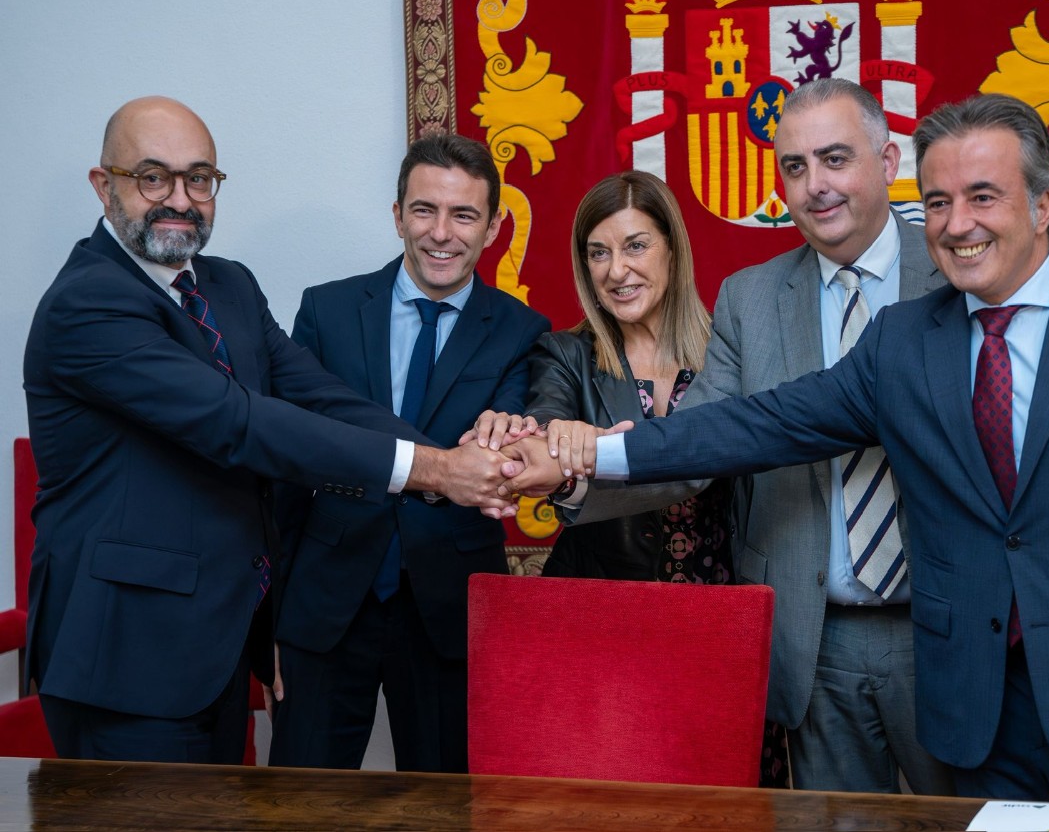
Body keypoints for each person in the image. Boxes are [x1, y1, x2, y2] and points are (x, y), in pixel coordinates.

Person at [502, 93, 1049, 806]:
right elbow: (752, 424)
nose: (957, 223)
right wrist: (585, 455)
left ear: (1042, 205)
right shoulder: (907, 339)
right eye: (939, 203)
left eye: (982, 197)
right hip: (978, 716)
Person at [22, 96, 514, 764]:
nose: (179, 198)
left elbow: (319, 397)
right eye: (152, 176)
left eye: (199, 178)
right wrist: (435, 472)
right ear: (103, 184)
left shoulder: (227, 286)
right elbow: (240, 423)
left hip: (217, 648)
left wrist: (445, 459)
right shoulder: (88, 302)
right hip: (127, 655)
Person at [492, 80, 951, 794]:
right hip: (814, 636)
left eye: (834, 159)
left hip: (947, 628)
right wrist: (572, 463)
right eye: (794, 167)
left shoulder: (956, 270)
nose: (815, 185)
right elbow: (703, 443)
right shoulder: (753, 296)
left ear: (890, 160)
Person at [267, 134, 549, 772]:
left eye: (464, 215)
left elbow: (496, 462)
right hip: (323, 608)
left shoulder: (520, 331)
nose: (441, 233)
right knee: (302, 807)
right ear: (397, 214)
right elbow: (286, 461)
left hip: (447, 613)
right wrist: (271, 618)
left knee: (448, 807)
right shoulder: (327, 310)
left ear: (494, 226)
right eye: (424, 210)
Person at [473, 171, 732, 584]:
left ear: (672, 250)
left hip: (727, 604)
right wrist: (544, 438)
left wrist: (593, 451)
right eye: (598, 253)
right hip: (602, 602)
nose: (616, 271)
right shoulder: (565, 353)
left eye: (636, 246)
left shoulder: (729, 350)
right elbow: (544, 422)